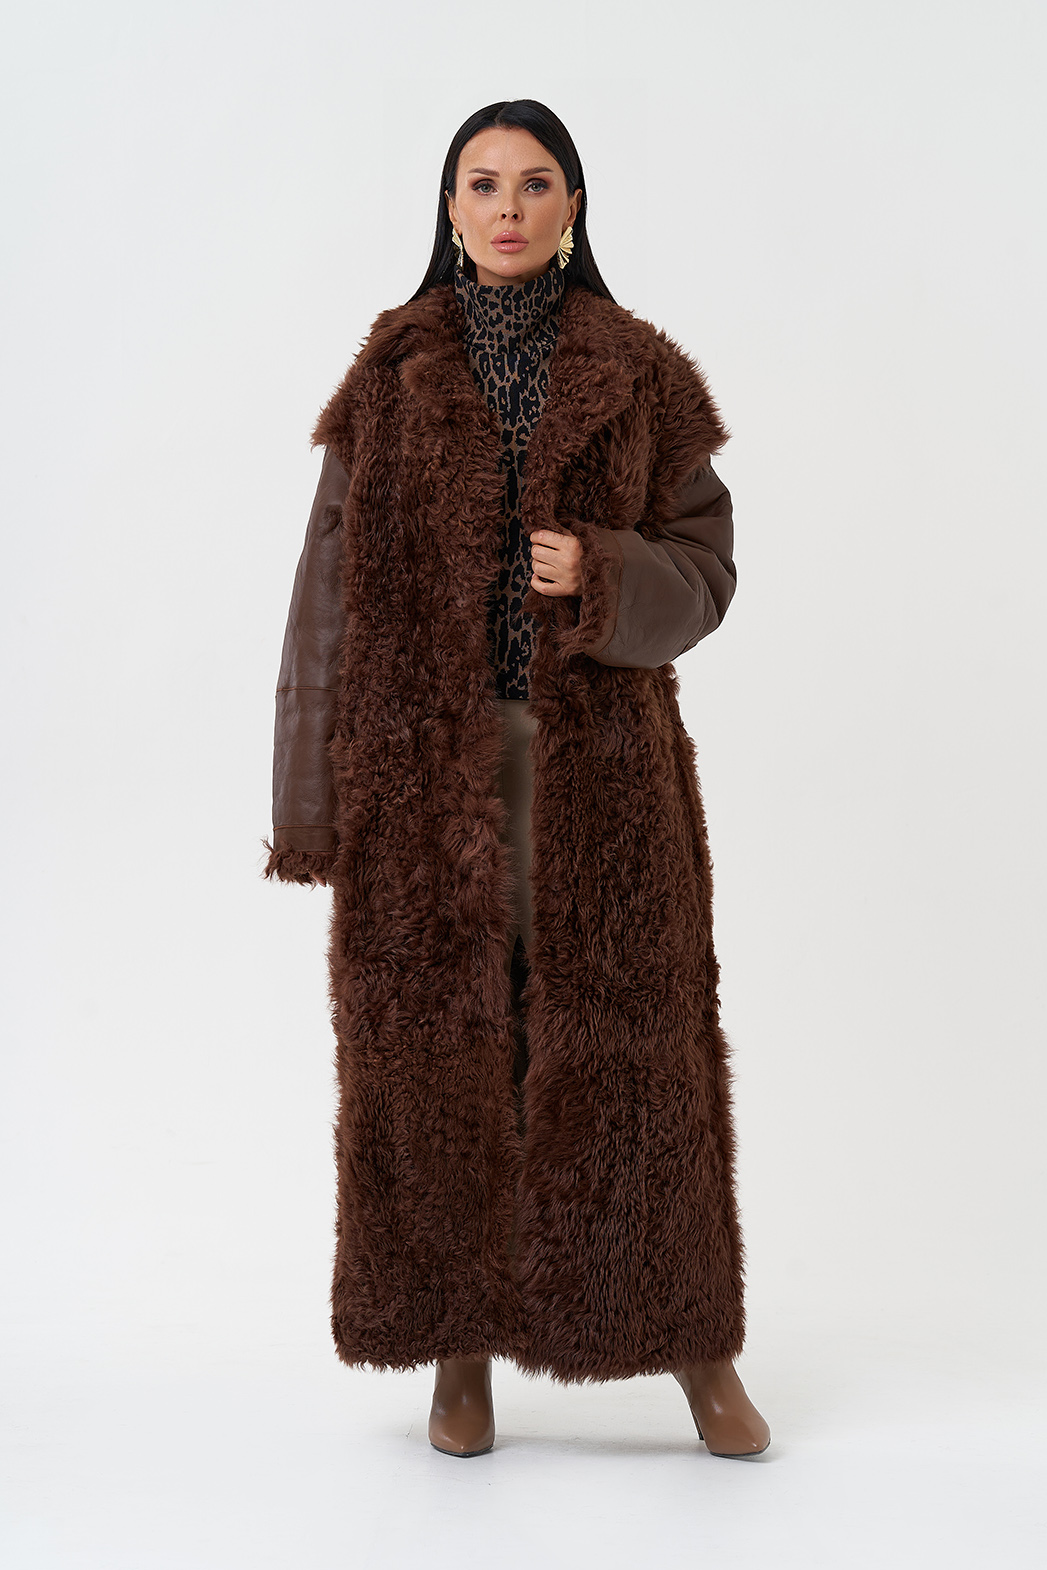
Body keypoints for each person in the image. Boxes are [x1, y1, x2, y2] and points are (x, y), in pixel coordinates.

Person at [262, 98, 771, 1461]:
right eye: (482, 183)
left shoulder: (641, 370)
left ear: (571, 208)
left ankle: (698, 1349)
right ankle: (457, 1348)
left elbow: (708, 571)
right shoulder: (391, 373)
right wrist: (310, 812)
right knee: (439, 1063)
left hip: (600, 777)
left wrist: (605, 570)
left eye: (535, 183)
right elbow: (323, 599)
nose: (507, 207)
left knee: (636, 1064)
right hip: (422, 779)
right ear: (449, 207)